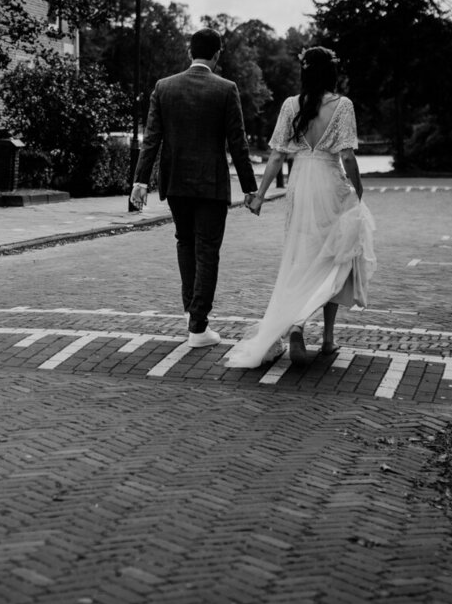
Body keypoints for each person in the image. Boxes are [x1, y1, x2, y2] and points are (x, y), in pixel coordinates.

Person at [224, 46, 377, 369]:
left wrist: (260, 196)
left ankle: (297, 325)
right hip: (330, 184)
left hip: (300, 184)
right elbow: (347, 156)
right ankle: (328, 339)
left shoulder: (291, 105)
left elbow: (277, 155)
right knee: (336, 259)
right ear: (331, 73)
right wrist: (358, 190)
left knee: (302, 257)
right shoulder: (342, 105)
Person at [130, 27, 260, 348]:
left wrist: (140, 181)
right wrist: (250, 188)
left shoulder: (164, 87)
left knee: (185, 243)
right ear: (217, 54)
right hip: (211, 185)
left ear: (190, 52)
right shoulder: (226, 89)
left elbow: (152, 140)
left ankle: (193, 313)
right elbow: (238, 144)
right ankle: (198, 325)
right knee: (208, 251)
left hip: (175, 184)